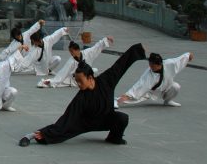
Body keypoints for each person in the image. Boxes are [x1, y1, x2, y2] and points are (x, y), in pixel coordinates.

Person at [19, 43, 147, 147]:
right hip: (85, 123)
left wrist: (137, 49)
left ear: (90, 78)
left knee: (122, 118)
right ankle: (34, 135)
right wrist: (44, 133)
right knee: (61, 132)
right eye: (77, 81)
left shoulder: (106, 80)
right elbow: (66, 118)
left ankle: (114, 138)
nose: (78, 84)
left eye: (80, 81)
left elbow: (120, 65)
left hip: (106, 119)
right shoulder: (81, 98)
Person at [117, 51, 193, 107]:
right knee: (134, 97)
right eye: (150, 65)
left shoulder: (170, 64)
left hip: (167, 87)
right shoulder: (148, 74)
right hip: (151, 91)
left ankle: (168, 101)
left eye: (153, 66)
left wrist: (188, 55)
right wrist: (127, 95)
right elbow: (139, 85)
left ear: (160, 64)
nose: (151, 67)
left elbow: (180, 59)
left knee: (176, 86)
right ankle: (116, 101)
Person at [38, 37, 113, 88]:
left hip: (87, 75)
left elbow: (96, 47)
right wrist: (53, 81)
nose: (71, 53)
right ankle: (48, 82)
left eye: (72, 51)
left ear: (78, 50)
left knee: (95, 72)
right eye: (70, 51)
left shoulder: (87, 53)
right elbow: (63, 73)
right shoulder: (71, 61)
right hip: (75, 79)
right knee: (60, 81)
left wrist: (106, 39)